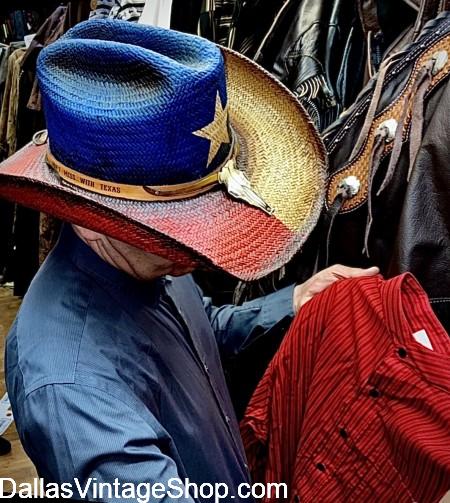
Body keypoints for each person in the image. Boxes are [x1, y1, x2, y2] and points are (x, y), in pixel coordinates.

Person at [0, 20, 378, 501]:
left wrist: (295, 301)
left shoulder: (150, 263)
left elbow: (199, 331)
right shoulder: (74, 387)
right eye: (178, 230)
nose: (199, 253)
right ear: (94, 223)